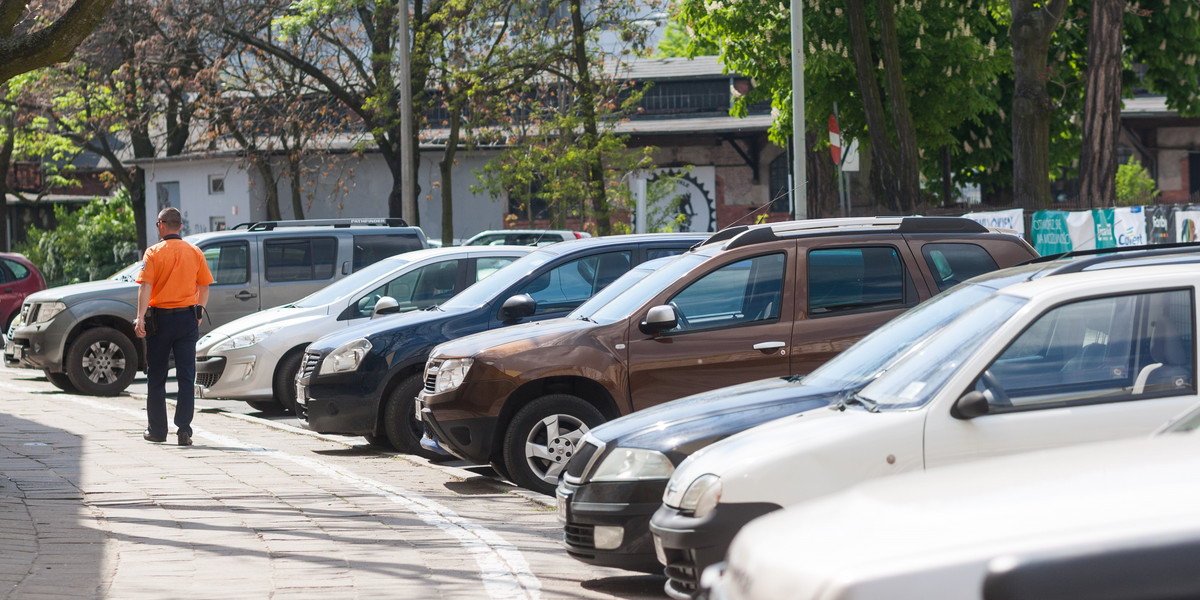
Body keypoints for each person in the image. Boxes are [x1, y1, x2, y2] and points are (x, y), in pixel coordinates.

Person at [134, 208, 213, 446]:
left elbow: (145, 287)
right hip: (187, 320)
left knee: (156, 376)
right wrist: (198, 311)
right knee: (186, 376)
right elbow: (205, 286)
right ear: (179, 226)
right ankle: (184, 431)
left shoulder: (154, 252)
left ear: (161, 225)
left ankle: (157, 431)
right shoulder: (194, 251)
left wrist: (139, 317)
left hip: (160, 320)